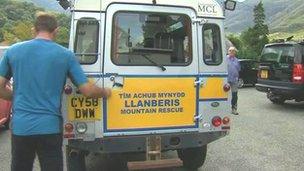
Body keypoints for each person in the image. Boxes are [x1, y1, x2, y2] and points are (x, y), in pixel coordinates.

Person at [0, 12, 111, 171]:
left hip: (21, 127)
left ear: (34, 29)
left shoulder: (13, 51)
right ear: (56, 30)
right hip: (49, 127)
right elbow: (87, 90)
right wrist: (105, 92)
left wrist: (15, 96)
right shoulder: (65, 55)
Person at [227, 47, 241, 115]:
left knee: (235, 95)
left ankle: (234, 109)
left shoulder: (237, 60)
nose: (231, 52)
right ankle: (224, 109)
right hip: (226, 80)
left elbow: (238, 69)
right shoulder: (224, 59)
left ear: (235, 52)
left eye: (233, 51)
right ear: (228, 51)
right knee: (224, 94)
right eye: (230, 50)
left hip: (234, 80)